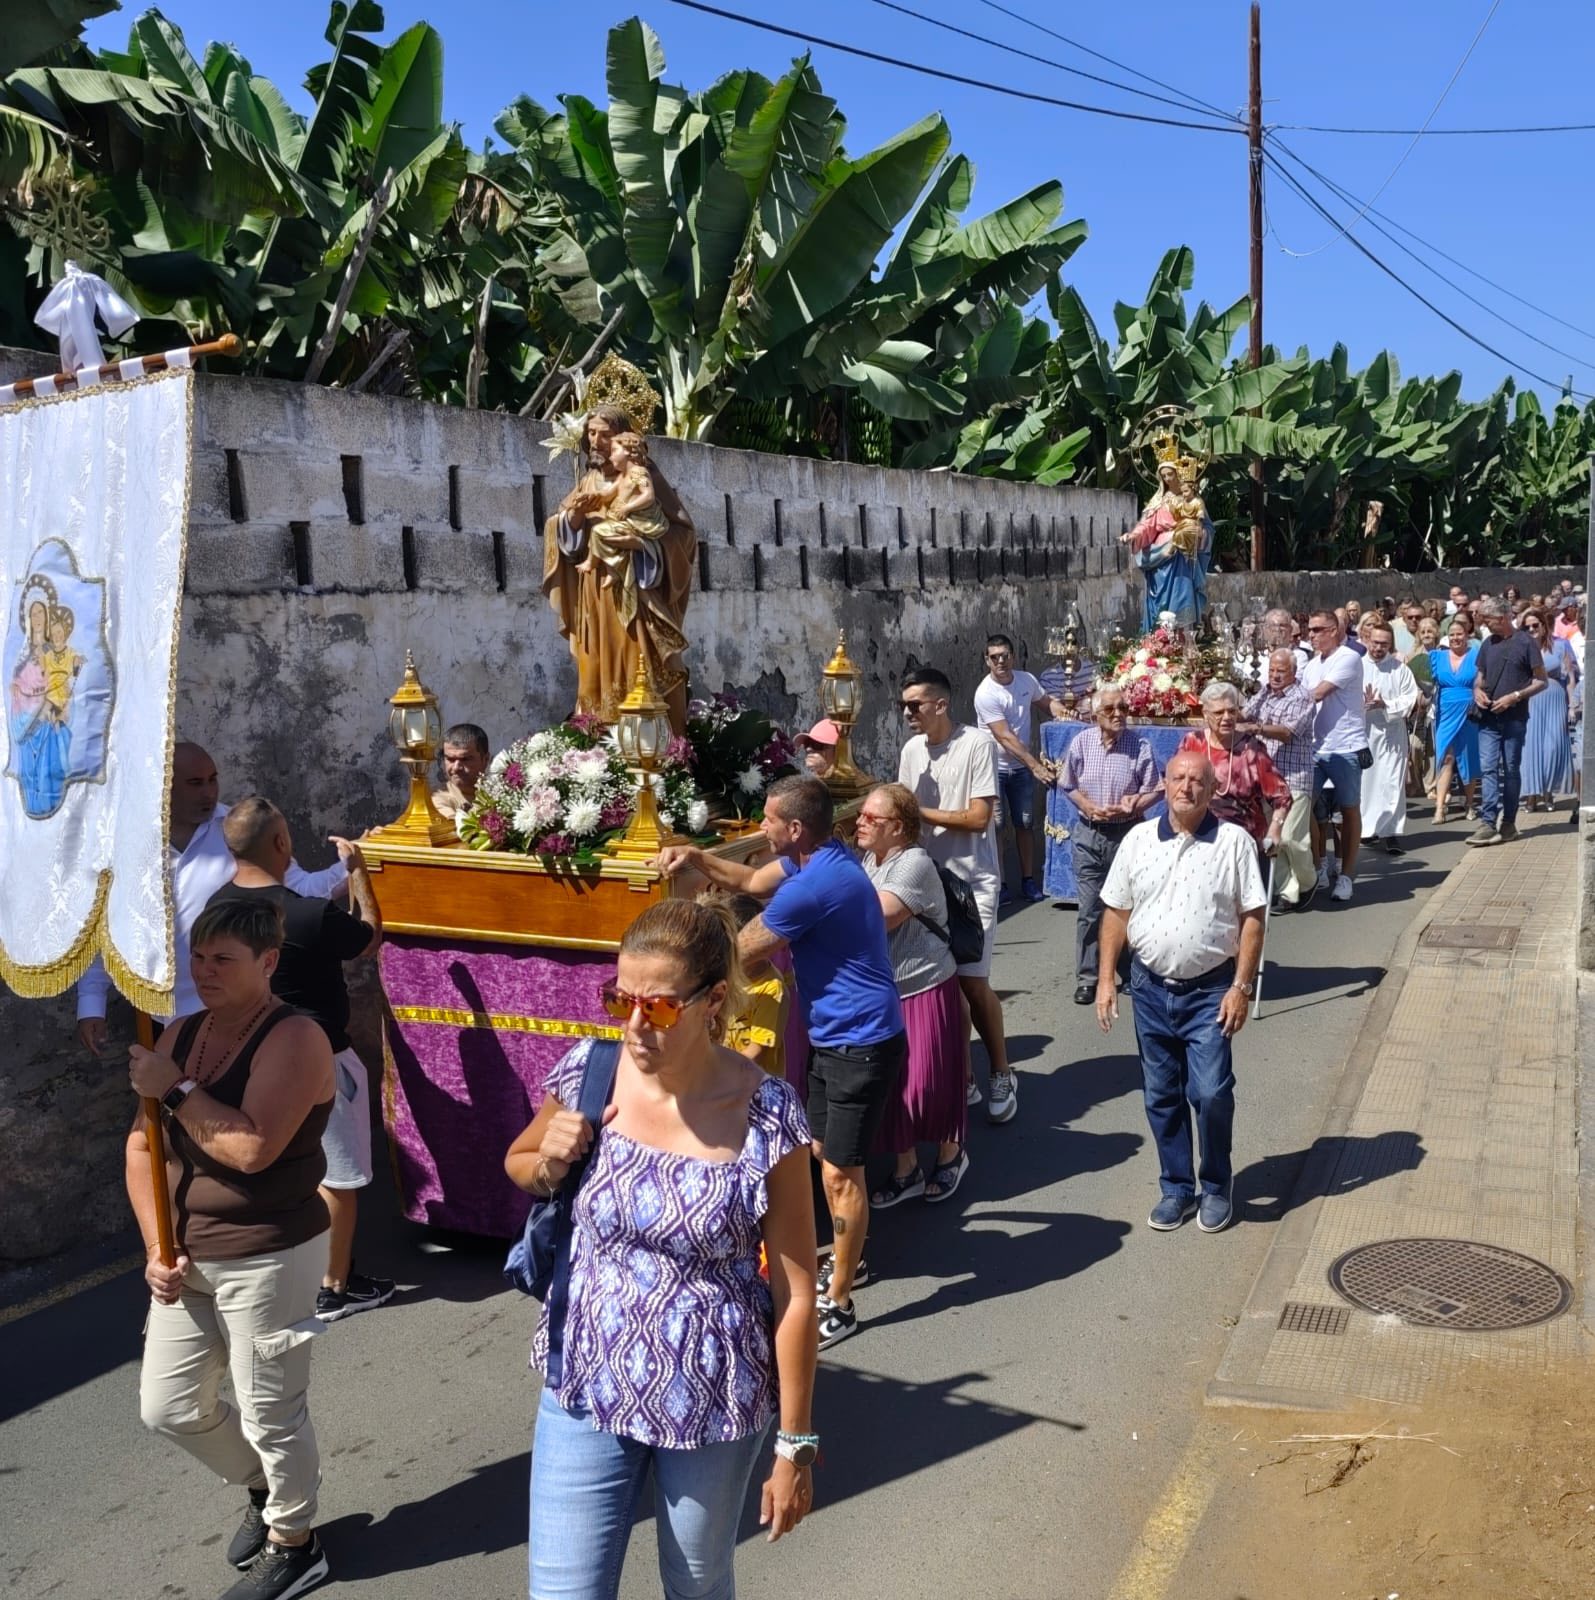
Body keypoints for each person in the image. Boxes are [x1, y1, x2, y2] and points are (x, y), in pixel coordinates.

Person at [507, 898, 818, 1600]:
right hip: (585, 1375)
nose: (636, 1025)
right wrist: (548, 1162)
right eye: (621, 999)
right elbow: (522, 1162)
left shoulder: (767, 1115)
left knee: (696, 1582)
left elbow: (796, 1292)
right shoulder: (591, 1069)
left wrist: (795, 1445)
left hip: (711, 1393)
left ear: (712, 1002)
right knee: (562, 1591)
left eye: (661, 1007)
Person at [126, 898, 335, 1600]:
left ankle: (296, 1541)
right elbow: (138, 1147)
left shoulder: (295, 1037)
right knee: (170, 1407)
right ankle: (264, 1490)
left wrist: (176, 1087)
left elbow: (250, 1149)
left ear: (268, 962)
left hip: (268, 1252)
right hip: (186, 1259)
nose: (204, 970)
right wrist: (157, 1245)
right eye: (199, 956)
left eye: (224, 959)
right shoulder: (181, 1031)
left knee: (270, 1409)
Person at [655, 775, 904, 1349]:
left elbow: (738, 949)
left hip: (859, 1043)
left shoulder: (811, 888)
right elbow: (745, 878)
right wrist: (697, 856)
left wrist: (668, 958)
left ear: (794, 830)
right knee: (826, 1157)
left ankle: (840, 1299)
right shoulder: (815, 861)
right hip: (837, 1036)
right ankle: (848, 1258)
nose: (759, 828)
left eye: (767, 820)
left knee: (841, 1175)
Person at [209, 798, 393, 1323]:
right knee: (338, 1176)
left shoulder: (217, 910)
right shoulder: (307, 913)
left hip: (248, 1056)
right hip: (319, 1060)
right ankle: (333, 1285)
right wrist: (358, 872)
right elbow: (368, 938)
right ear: (282, 844)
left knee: (283, 1168)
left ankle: (292, 1268)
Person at [76, 743, 349, 1056]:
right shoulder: (123, 843)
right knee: (166, 1099)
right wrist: (91, 1004)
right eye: (195, 783)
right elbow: (106, 926)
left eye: (212, 780)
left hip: (233, 1017)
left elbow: (298, 889)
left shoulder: (241, 832)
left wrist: (353, 868)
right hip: (156, 1015)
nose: (208, 792)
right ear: (163, 785)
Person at [1094, 752, 1266, 1235]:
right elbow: (1115, 913)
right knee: (1161, 1094)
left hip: (1211, 990)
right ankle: (1175, 1188)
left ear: (1212, 790)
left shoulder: (1233, 842)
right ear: (1164, 784)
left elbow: (1253, 919)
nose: (1186, 788)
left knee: (1210, 1094)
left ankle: (1215, 1186)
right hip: (1149, 988)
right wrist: (1107, 978)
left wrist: (1241, 987)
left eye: (1197, 781)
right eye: (1178, 779)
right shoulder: (1138, 840)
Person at [897, 667, 1017, 1125]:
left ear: (940, 704)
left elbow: (978, 817)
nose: (908, 713)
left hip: (972, 882)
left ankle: (1001, 1071)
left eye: (915, 705)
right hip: (926, 881)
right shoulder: (911, 752)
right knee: (938, 982)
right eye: (905, 705)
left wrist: (916, 810)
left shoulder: (977, 744)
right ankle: (963, 1073)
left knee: (971, 980)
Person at [542, 406, 696, 731]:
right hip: (594, 592)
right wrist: (574, 517)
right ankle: (597, 748)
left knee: (641, 664)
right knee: (594, 670)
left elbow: (683, 533)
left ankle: (656, 746)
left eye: (605, 436)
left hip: (635, 591)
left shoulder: (644, 475)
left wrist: (643, 545)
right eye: (592, 433)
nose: (596, 442)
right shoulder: (588, 480)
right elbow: (566, 540)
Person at [856, 783, 968, 1207]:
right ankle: (907, 1170)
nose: (861, 823)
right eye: (862, 816)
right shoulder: (870, 858)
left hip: (924, 984)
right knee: (894, 1087)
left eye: (872, 818)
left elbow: (880, 916)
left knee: (926, 1083)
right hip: (885, 991)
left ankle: (950, 1153)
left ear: (898, 828)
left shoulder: (915, 863)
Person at [1057, 687, 1163, 1004]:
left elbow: (1156, 789)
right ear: (1095, 715)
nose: (1118, 714)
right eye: (1110, 709)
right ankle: (1088, 978)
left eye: (1122, 708)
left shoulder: (1139, 746)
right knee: (1090, 910)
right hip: (1089, 834)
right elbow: (1067, 783)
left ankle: (1130, 973)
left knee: (1126, 908)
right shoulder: (1081, 743)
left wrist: (1135, 803)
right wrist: (1086, 806)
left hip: (1127, 835)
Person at [972, 634, 1053, 904]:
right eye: (994, 657)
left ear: (1012, 656)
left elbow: (1047, 703)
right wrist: (1034, 766)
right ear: (987, 660)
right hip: (992, 768)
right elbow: (1004, 737)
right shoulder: (985, 693)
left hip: (1020, 769)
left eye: (1005, 655)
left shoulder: (1027, 680)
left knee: (1025, 823)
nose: (1000, 661)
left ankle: (1028, 880)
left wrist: (1070, 715)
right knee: (995, 826)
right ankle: (1001, 883)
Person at [1179, 682, 1290, 863]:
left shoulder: (1251, 748)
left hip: (1243, 842)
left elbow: (1282, 796)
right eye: (1218, 712)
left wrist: (1276, 827)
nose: (1227, 717)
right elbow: (1175, 788)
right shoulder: (1191, 743)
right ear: (1205, 714)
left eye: (1232, 711)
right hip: (1199, 839)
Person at [1241, 649, 1316, 912]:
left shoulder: (1302, 698)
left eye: (1280, 671)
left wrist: (1256, 728)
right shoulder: (1265, 692)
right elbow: (1244, 714)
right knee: (1271, 839)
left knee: (1289, 837)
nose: (1274, 675)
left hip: (1295, 776)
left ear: (1293, 673)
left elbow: (1287, 732)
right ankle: (1287, 892)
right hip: (1267, 777)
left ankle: (1309, 881)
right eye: (1272, 670)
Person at [1468, 597, 1547, 847]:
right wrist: (1477, 691)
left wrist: (1514, 697)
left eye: (1487, 619)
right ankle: (1488, 822)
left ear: (1501, 618)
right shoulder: (1488, 644)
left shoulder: (1526, 643)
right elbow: (1479, 676)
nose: (1484, 623)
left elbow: (1541, 680)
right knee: (1489, 768)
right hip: (1489, 717)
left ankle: (1509, 823)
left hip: (1514, 718)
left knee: (1511, 770)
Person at [1301, 611, 1366, 904]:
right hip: (1315, 747)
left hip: (1346, 747)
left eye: (1318, 629)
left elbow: (1318, 694)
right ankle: (1319, 865)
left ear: (1334, 630)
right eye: (1310, 630)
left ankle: (1347, 876)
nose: (1312, 634)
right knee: (1303, 808)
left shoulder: (1349, 657)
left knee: (1348, 812)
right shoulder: (1311, 664)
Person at [717, 891, 791, 1076]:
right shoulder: (726, 974)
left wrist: (717, 1071)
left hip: (753, 1084)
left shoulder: (771, 989)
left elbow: (756, 1051)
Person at [1360, 624, 1420, 854]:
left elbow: (1410, 698)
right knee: (1366, 783)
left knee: (1391, 782)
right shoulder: (1357, 667)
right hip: (1365, 733)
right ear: (1367, 640)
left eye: (1384, 644)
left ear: (1390, 644)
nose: (1378, 648)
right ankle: (1367, 829)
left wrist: (1386, 704)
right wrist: (1363, 704)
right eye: (1375, 642)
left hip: (1392, 735)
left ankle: (1391, 833)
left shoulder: (1400, 669)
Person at [1518, 608, 1577, 813]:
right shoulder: (1521, 648)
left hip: (1555, 698)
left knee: (1552, 747)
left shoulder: (1560, 646)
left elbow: (1570, 678)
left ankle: (1548, 792)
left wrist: (1571, 705)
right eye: (1527, 626)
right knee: (1530, 748)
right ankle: (1531, 795)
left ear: (1544, 625)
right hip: (1530, 700)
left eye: (1536, 625)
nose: (1532, 629)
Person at [1429, 615, 1481, 823]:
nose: (1455, 638)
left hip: (1469, 711)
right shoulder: (1436, 657)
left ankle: (1469, 803)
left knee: (1467, 758)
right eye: (1451, 635)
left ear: (1467, 635)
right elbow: (1424, 680)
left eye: (1459, 634)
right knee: (1446, 758)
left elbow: (1482, 681)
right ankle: (1440, 807)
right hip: (1445, 711)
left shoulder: (1477, 655)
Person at [432, 723, 489, 821]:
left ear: (485, 759)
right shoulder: (439, 801)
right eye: (450, 759)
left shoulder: (503, 795)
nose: (456, 767)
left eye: (465, 759)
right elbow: (462, 830)